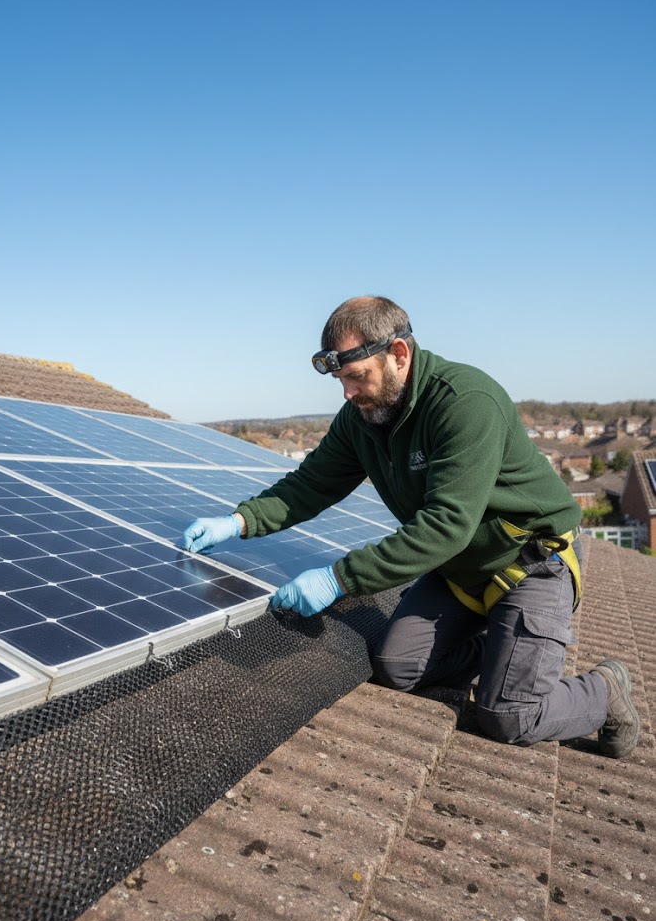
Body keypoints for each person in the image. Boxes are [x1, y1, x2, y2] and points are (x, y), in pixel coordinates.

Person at [183, 296, 641, 758]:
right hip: (461, 573)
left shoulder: (464, 403)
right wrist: (240, 521)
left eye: (357, 377)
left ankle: (604, 689)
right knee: (395, 665)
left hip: (530, 563)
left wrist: (337, 578)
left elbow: (446, 526)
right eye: (341, 381)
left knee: (508, 715)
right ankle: (503, 648)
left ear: (399, 354)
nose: (347, 393)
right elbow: (312, 483)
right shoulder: (361, 419)